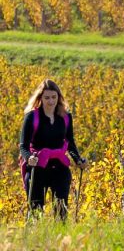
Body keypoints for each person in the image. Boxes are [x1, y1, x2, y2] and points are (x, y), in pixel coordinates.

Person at [19, 79, 87, 220]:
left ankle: (61, 239)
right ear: (40, 98)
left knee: (61, 211)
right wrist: (28, 158)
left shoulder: (66, 117)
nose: (51, 101)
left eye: (54, 97)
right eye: (47, 98)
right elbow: (23, 146)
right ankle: (34, 240)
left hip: (60, 168)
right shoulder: (32, 117)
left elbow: (70, 142)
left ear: (59, 97)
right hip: (38, 167)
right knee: (35, 213)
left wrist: (78, 160)